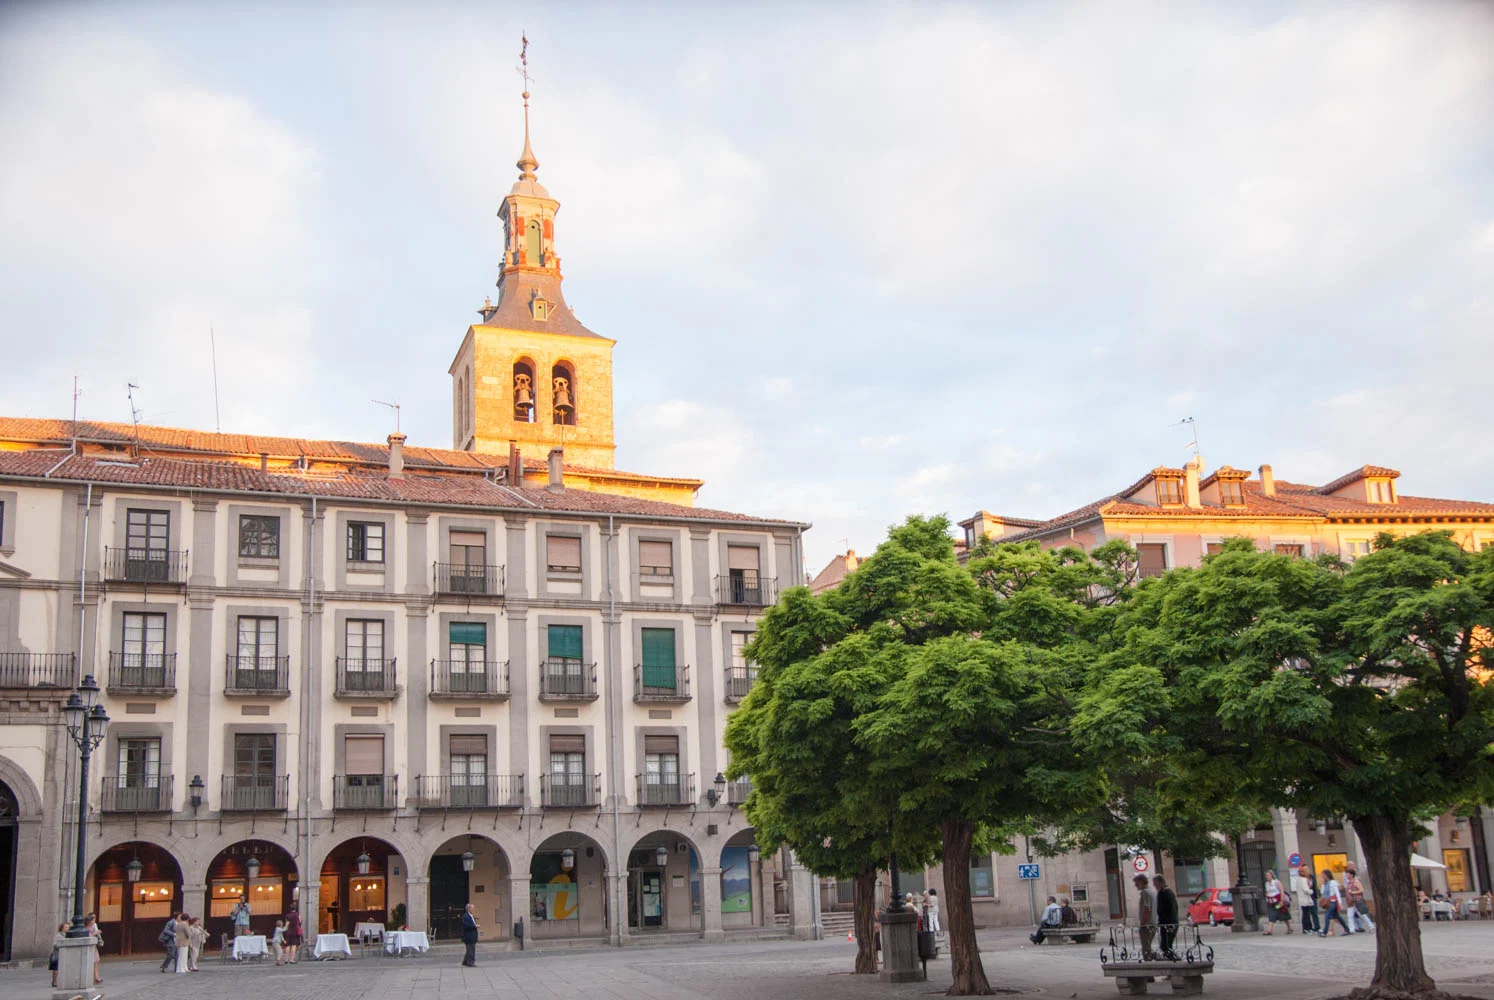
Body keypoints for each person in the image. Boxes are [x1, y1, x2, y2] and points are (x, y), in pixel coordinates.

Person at [1343, 865, 1376, 933]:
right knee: (1350, 915)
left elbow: (1361, 890)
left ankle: (1371, 926)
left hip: (1356, 901)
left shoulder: (1356, 882)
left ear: (1352, 875)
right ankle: (1351, 929)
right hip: (1350, 901)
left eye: (1348, 874)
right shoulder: (1348, 883)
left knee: (1362, 914)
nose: (1346, 875)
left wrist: (1353, 892)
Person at [1319, 870, 1351, 936]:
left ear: (1326, 875)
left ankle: (1325, 931)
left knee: (1327, 915)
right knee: (1337, 916)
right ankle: (1347, 929)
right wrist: (1323, 885)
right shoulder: (1325, 884)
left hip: (1332, 901)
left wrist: (1340, 902)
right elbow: (1322, 892)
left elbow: (1337, 893)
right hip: (1328, 901)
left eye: (1323, 875)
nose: (1322, 876)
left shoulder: (1333, 882)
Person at [1154, 875, 1179, 958]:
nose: (1155, 886)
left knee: (1165, 945)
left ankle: (1172, 959)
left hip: (1167, 923)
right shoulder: (1170, 892)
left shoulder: (1163, 893)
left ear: (1160, 883)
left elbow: (1162, 910)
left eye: (1155, 884)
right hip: (1173, 922)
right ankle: (1171, 957)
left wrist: (1162, 921)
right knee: (1167, 945)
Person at [1135, 875, 1159, 959]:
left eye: (1136, 883)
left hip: (1147, 924)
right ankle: (1153, 957)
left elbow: (1147, 909)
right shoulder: (1152, 891)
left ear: (1141, 882)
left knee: (1145, 946)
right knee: (1148, 945)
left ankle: (1148, 960)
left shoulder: (1145, 893)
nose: (1135, 885)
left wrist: (1142, 922)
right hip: (1154, 922)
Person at [1293, 866, 1320, 935]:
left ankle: (1308, 928)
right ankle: (1307, 928)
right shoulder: (1303, 879)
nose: (1307, 872)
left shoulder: (1298, 879)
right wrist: (1311, 891)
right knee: (1306, 915)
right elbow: (1306, 889)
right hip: (1305, 899)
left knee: (1306, 914)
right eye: (1305, 871)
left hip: (1302, 899)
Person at [460, 902, 480, 967]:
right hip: (468, 936)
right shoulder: (466, 916)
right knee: (471, 949)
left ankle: (465, 961)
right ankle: (470, 962)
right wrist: (475, 926)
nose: (473, 909)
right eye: (472, 908)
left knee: (469, 949)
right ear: (469, 909)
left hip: (472, 935)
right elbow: (466, 925)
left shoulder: (470, 915)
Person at [85, 914, 103, 985]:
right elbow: (87, 935)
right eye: (92, 920)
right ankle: (92, 977)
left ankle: (96, 976)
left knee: (96, 961)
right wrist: (95, 933)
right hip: (89, 946)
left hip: (93, 946)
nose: (93, 922)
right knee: (91, 962)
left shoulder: (93, 926)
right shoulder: (85, 928)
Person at [49, 922, 67, 988]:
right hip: (57, 954)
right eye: (66, 927)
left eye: (68, 927)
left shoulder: (67, 935)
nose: (67, 928)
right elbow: (55, 945)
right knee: (56, 969)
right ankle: (54, 981)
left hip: (64, 954)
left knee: (62, 969)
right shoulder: (59, 935)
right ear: (62, 928)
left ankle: (60, 981)